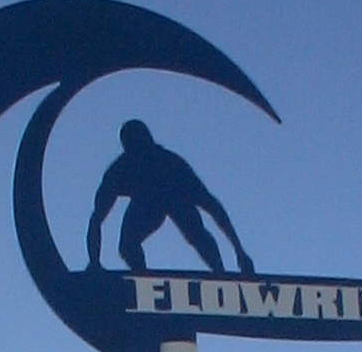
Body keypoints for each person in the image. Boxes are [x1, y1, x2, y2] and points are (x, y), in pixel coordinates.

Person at [85, 118, 255, 275]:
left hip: (174, 196)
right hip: (147, 201)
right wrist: (94, 261)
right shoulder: (121, 169)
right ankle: (142, 278)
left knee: (196, 235)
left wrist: (239, 251)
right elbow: (97, 218)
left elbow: (211, 205)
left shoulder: (171, 163)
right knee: (127, 245)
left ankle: (218, 271)